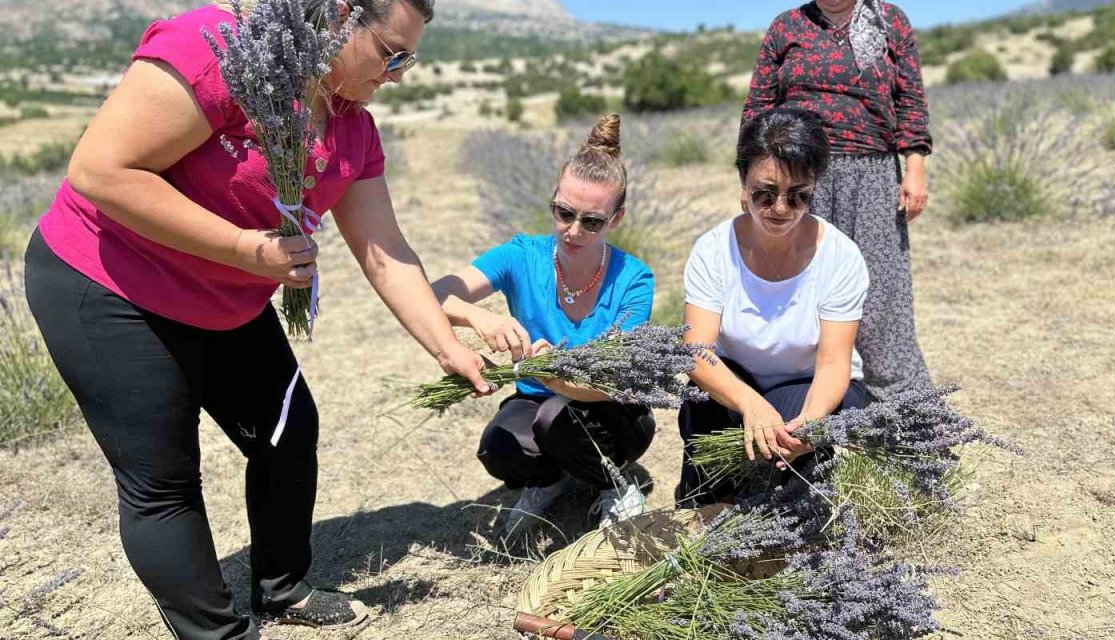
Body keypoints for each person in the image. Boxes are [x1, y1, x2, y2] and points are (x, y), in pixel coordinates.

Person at [23, 1, 492, 638]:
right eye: (392, 53)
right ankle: (219, 632)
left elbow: (385, 253)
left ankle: (282, 588)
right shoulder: (216, 50)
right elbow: (100, 170)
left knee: (288, 432)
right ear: (341, 15)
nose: (398, 74)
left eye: (409, 59)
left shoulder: (351, 127)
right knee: (165, 482)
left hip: (223, 298)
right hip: (112, 286)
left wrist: (446, 347)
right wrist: (248, 249)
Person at [431, 114, 657, 532]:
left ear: (616, 219)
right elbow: (432, 295)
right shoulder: (522, 256)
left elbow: (612, 381)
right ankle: (549, 480)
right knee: (499, 448)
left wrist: (555, 373)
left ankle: (615, 484)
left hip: (611, 410)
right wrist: (479, 316)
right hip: (539, 401)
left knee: (557, 418)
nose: (573, 231)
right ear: (552, 201)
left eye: (592, 221)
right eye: (563, 212)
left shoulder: (634, 278)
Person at [676, 108, 872, 507]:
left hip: (810, 388)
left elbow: (834, 363)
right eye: (764, 194)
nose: (780, 208)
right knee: (702, 402)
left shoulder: (841, 256)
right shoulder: (713, 250)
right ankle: (710, 495)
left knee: (788, 431)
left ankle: (798, 491)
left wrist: (811, 425)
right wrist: (750, 403)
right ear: (743, 184)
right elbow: (696, 353)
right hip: (737, 387)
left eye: (798, 195)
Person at [743, 0, 934, 399]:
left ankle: (904, 408)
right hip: (797, 176)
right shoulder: (786, 26)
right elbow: (758, 107)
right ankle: (805, 402)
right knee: (800, 285)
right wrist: (752, 179)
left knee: (881, 290)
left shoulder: (890, 21)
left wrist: (914, 166)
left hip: (872, 172)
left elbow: (910, 98)